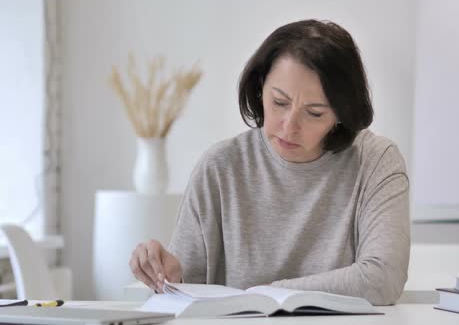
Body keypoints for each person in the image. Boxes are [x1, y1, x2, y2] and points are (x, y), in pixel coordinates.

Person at [129, 19, 410, 306]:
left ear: (341, 113)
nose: (289, 127)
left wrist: (273, 293)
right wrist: (165, 274)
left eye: (314, 113)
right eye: (279, 102)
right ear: (261, 87)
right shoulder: (219, 167)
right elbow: (184, 291)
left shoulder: (375, 162)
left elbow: (383, 278)